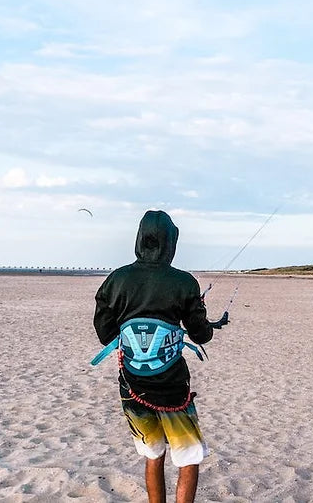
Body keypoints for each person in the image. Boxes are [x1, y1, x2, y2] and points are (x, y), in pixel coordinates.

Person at [93, 210, 229, 503]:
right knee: (188, 458)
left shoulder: (116, 280)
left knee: (153, 454)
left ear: (140, 239)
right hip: (172, 387)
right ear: (171, 242)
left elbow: (105, 334)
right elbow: (201, 335)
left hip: (131, 385)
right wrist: (201, 315)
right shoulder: (184, 282)